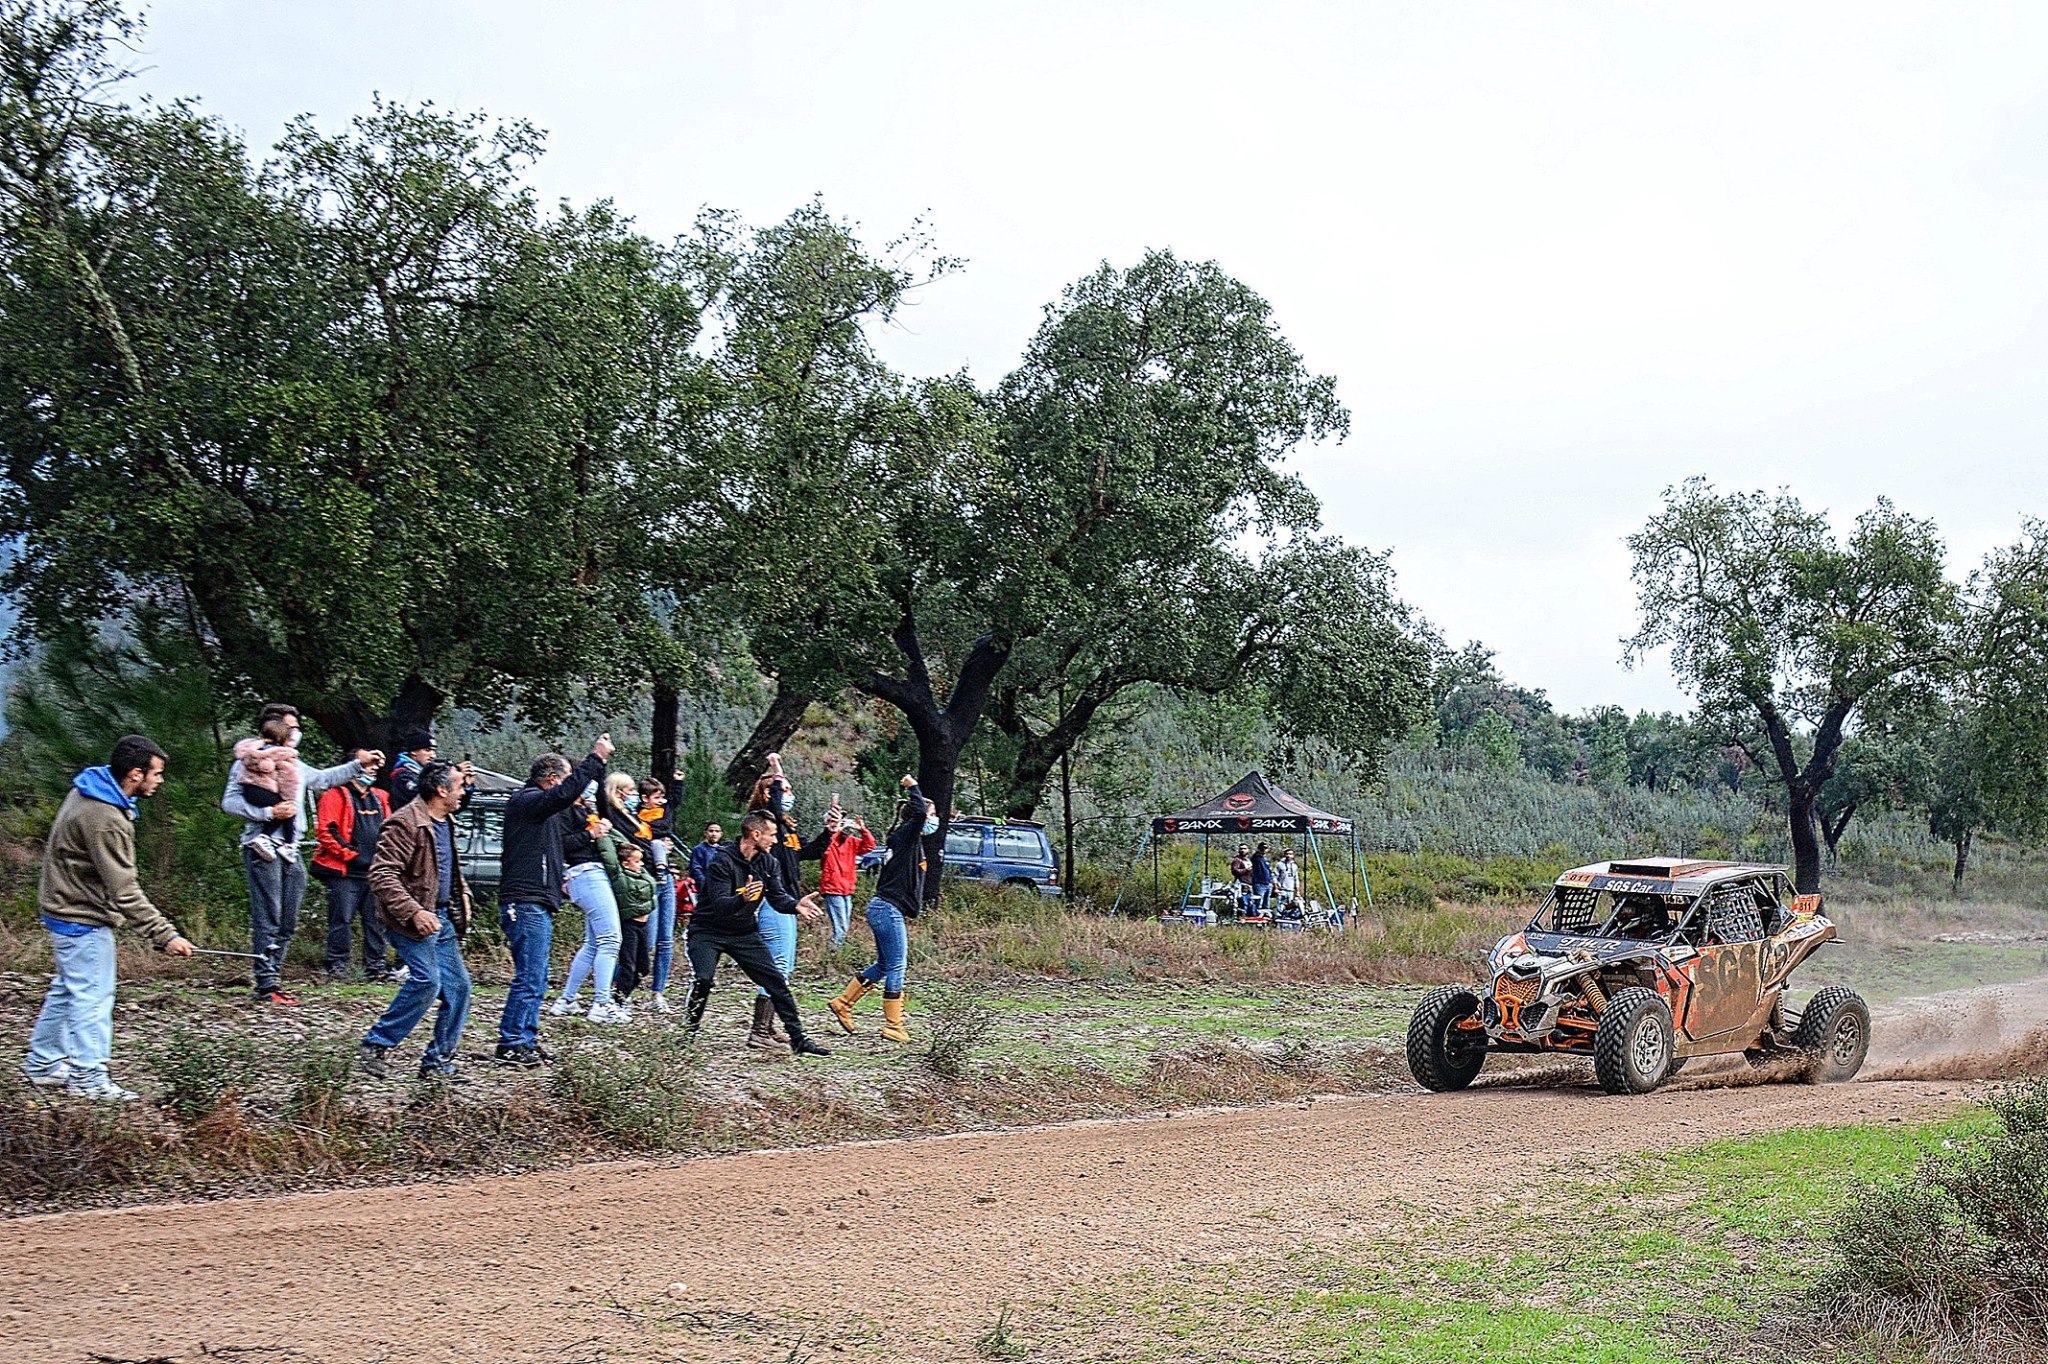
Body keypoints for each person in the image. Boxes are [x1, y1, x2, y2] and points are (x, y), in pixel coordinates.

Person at [21, 736, 195, 1101]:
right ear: (135, 774)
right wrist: (165, 935)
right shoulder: (106, 819)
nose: (159, 781)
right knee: (93, 997)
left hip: (63, 905)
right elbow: (125, 891)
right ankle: (89, 1078)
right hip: (79, 914)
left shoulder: (90, 788)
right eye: (156, 774)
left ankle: (43, 1063)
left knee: (70, 988)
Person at [221, 703, 381, 1005]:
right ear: (274, 729)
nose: (297, 733)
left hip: (292, 849)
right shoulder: (248, 762)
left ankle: (274, 976)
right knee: (269, 917)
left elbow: (323, 779)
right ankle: (266, 984)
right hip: (262, 848)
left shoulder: (294, 762)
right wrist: (268, 812)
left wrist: (359, 765)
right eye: (292, 727)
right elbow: (229, 803)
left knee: (288, 920)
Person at [491, 737, 611, 1068]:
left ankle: (524, 1039)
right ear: (552, 779)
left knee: (537, 976)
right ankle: (512, 1042)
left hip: (538, 899)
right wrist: (595, 759)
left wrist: (590, 834)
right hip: (525, 899)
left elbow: (565, 842)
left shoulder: (542, 817)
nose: (573, 789)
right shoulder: (528, 800)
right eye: (568, 778)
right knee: (530, 976)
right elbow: (563, 795)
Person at [356, 760, 473, 1081]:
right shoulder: (404, 823)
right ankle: (375, 1044)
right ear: (441, 790)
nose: (464, 792)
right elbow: (381, 875)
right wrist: (414, 911)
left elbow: (446, 869)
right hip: (410, 920)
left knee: (459, 988)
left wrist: (462, 897)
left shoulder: (444, 820)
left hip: (443, 918)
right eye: (460, 785)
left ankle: (438, 1062)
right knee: (427, 981)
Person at [687, 810, 830, 1057]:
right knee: (704, 979)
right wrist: (743, 898)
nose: (775, 840)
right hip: (707, 931)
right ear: (755, 834)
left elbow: (777, 897)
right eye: (772, 835)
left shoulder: (768, 862)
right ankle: (686, 1035)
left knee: (776, 981)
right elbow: (721, 905)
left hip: (743, 933)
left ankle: (798, 1040)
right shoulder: (722, 861)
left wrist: (795, 905)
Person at [828, 776, 930, 1043]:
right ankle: (894, 1025)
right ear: (917, 818)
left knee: (885, 964)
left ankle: (843, 1003)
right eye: (931, 815)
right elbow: (919, 811)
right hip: (887, 908)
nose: (933, 820)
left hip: (884, 907)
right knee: (897, 965)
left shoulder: (907, 840)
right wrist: (913, 787)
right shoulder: (907, 836)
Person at [744, 754, 831, 1049]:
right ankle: (758, 1031)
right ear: (769, 795)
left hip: (790, 901)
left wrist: (829, 832)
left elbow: (809, 852)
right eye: (785, 790)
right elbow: (774, 805)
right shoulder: (765, 826)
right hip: (771, 902)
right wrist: (777, 772)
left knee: (785, 966)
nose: (788, 796)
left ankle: (767, 1028)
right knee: (777, 966)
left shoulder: (787, 830)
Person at [550, 781, 628, 1023]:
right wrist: (591, 834)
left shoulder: (585, 810)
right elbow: (562, 844)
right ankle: (602, 1003)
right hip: (585, 873)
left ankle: (567, 999)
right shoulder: (563, 811)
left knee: (593, 943)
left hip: (589, 874)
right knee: (611, 939)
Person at [312, 764, 396, 981]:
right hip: (344, 872)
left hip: (374, 872)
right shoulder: (334, 795)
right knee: (341, 919)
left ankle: (376, 968)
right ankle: (337, 966)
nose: (373, 771)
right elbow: (326, 830)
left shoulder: (380, 797)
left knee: (376, 920)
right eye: (368, 766)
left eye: (375, 768)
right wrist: (350, 854)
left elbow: (390, 829)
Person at [635, 776, 682, 1012]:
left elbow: (668, 824)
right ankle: (623, 983)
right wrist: (658, 839)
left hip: (667, 879)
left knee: (666, 940)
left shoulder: (663, 812)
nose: (661, 801)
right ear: (644, 799)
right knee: (649, 939)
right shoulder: (634, 817)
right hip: (648, 879)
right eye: (657, 797)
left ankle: (658, 992)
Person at [600, 838, 657, 1002]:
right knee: (628, 966)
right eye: (637, 861)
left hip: (643, 925)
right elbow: (608, 853)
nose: (641, 865)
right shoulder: (619, 876)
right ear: (625, 864)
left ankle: (621, 996)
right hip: (629, 925)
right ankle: (617, 1000)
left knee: (644, 968)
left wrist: (633, 846)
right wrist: (604, 832)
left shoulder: (643, 875)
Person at [230, 731, 300, 863]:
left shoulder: (249, 753)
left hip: (249, 789)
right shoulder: (282, 758)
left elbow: (323, 777)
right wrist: (288, 799)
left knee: (282, 810)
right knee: (287, 810)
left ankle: (275, 841)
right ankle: (282, 843)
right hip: (264, 792)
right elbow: (289, 780)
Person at [817, 810, 876, 950]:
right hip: (832, 888)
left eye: (841, 820)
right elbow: (825, 852)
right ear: (827, 824)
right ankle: (833, 954)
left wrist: (862, 829)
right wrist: (837, 831)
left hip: (847, 888)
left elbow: (869, 846)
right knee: (840, 926)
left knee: (844, 926)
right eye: (834, 821)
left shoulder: (849, 841)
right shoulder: (825, 842)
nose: (839, 823)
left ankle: (835, 952)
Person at [386, 731, 436, 809]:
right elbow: (426, 798)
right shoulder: (403, 776)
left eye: (434, 751)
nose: (433, 756)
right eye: (427, 750)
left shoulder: (422, 774)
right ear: (413, 751)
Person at [687, 821, 723, 889]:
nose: (714, 834)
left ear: (721, 834)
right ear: (705, 833)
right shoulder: (698, 849)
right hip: (704, 887)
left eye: (717, 831)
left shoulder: (723, 850)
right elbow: (696, 869)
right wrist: (704, 884)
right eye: (711, 831)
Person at [1272, 847, 1301, 912]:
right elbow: (1275, 876)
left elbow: (1296, 878)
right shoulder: (1279, 864)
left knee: (1290, 907)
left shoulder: (1294, 866)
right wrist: (1276, 888)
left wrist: (1297, 891)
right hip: (1281, 890)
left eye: (1290, 854)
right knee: (1280, 907)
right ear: (1284, 855)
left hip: (1290, 890)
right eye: (1287, 854)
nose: (1288, 856)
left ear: (1293, 855)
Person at [1248, 842, 1273, 916]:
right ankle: (1256, 917)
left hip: (1268, 883)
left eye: (1265, 848)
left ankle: (1265, 918)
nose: (1264, 850)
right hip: (1259, 883)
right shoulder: (1256, 858)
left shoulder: (1265, 859)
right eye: (1262, 848)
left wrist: (1271, 880)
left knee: (1266, 904)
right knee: (1258, 902)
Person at [1230, 844, 1254, 916]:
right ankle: (1241, 918)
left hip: (1250, 884)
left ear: (1248, 850)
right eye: (1241, 849)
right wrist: (1246, 870)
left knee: (1250, 903)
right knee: (1243, 903)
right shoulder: (1237, 860)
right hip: (1241, 884)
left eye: (1244, 848)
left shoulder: (1249, 860)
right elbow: (1235, 871)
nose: (1243, 850)